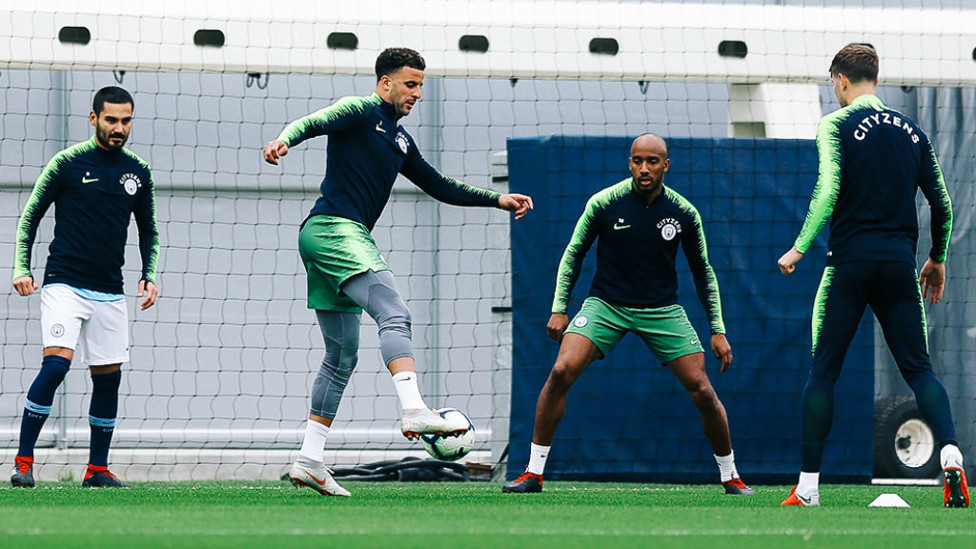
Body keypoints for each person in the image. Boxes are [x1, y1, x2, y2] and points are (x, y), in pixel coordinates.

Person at [262, 47, 533, 497]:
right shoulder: (360, 109)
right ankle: (414, 409)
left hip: (325, 238)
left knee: (341, 356)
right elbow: (313, 121)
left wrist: (497, 199)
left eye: (421, 85)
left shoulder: (401, 141)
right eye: (410, 84)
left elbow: (440, 185)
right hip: (335, 230)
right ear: (385, 83)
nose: (417, 93)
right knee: (395, 312)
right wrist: (283, 140)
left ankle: (310, 459)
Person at [502, 133, 753, 495]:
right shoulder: (604, 203)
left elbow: (703, 271)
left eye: (653, 161)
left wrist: (718, 329)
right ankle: (533, 473)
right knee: (560, 371)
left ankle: (730, 475)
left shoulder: (684, 213)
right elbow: (573, 254)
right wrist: (560, 309)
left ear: (666, 165)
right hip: (606, 306)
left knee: (702, 389)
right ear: (630, 163)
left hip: (662, 311)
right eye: (638, 161)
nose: (644, 168)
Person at [778, 44, 968, 508]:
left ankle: (807, 489)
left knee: (823, 373)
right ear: (875, 79)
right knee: (920, 369)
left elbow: (827, 190)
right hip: (899, 268)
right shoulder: (914, 132)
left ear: (841, 80)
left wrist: (799, 247)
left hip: (848, 264)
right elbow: (942, 203)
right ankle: (951, 455)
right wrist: (937, 258)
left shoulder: (835, 124)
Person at [10, 86, 159, 488]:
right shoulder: (67, 163)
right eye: (111, 120)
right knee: (56, 365)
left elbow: (149, 230)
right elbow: (30, 218)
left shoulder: (138, 171)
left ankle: (97, 470)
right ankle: (23, 462)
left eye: (125, 120)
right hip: (64, 284)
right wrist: (21, 268)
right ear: (93, 118)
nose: (119, 128)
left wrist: (150, 274)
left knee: (108, 378)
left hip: (110, 290)